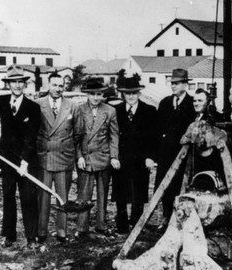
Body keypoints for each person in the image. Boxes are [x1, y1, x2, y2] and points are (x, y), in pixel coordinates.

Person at [0, 65, 41, 248]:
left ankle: (31, 236)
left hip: (26, 159)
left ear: (25, 85)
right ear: (8, 84)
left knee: (28, 197)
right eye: (13, 82)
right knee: (8, 195)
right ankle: (9, 235)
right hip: (6, 157)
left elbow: (31, 137)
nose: (17, 85)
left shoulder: (33, 107)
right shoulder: (1, 101)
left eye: (20, 82)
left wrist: (24, 161)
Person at [36, 73, 83, 243]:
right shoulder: (37, 105)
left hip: (64, 158)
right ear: (47, 85)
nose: (57, 89)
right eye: (54, 85)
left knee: (62, 197)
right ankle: (41, 232)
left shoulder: (72, 106)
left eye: (61, 86)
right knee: (43, 197)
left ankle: (61, 232)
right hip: (45, 158)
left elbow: (78, 134)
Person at [112, 77, 158, 234]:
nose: (131, 96)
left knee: (139, 193)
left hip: (141, 160)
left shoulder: (149, 111)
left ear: (139, 93)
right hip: (121, 160)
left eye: (134, 93)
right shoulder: (116, 111)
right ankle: (122, 225)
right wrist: (114, 157)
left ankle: (137, 225)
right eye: (127, 93)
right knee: (120, 193)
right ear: (123, 94)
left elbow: (154, 137)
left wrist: (151, 156)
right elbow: (111, 137)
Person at [76, 78, 119, 237]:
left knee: (102, 194)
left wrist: (114, 157)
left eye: (99, 94)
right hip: (85, 160)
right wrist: (79, 156)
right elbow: (76, 137)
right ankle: (82, 228)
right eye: (92, 94)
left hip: (103, 158)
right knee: (84, 196)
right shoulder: (79, 110)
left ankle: (101, 225)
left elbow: (114, 136)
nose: (96, 97)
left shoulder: (110, 111)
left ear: (103, 95)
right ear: (87, 94)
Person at [155, 68, 195, 232]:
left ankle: (180, 219)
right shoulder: (164, 103)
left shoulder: (192, 103)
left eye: (177, 83)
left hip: (183, 154)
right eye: (172, 83)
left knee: (181, 187)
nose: (173, 86)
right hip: (166, 154)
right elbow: (157, 129)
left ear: (185, 84)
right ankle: (166, 218)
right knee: (165, 186)